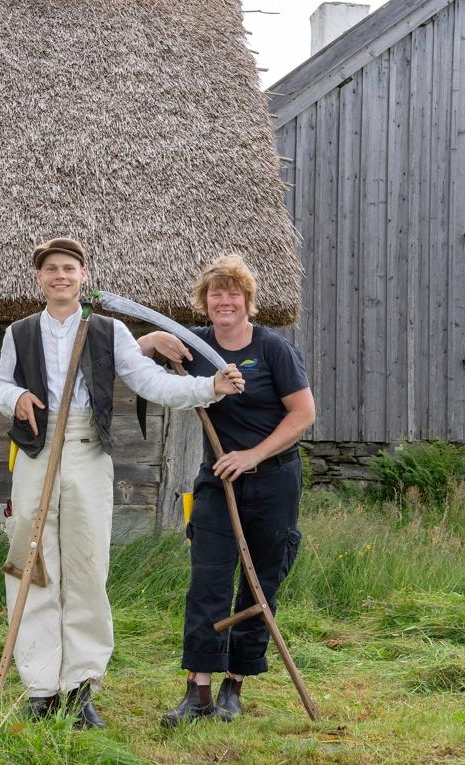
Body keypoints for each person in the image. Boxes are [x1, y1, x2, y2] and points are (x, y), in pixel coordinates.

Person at [0, 237, 246, 728]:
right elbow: (0, 382)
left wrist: (207, 388)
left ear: (83, 276)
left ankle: (80, 689)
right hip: (36, 450)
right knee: (31, 562)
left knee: (86, 565)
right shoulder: (18, 332)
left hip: (87, 450)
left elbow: (151, 383)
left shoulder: (109, 331)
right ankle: (41, 686)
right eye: (51, 270)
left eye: (69, 269)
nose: (60, 276)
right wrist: (16, 395)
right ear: (39, 278)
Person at [136, 254, 316, 726]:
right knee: (208, 580)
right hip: (217, 480)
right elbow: (127, 362)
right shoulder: (193, 348)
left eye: (233, 293)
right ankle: (197, 692)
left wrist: (253, 455)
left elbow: (303, 414)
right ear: (205, 300)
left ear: (247, 300)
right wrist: (154, 339)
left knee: (262, 578)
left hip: (274, 478)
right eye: (216, 293)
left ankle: (235, 682)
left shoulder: (273, 349)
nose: (224, 301)